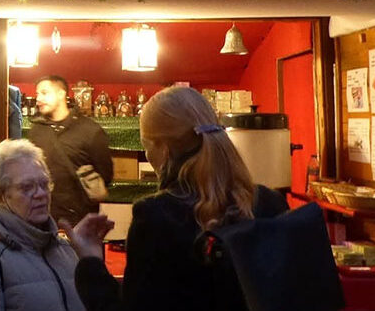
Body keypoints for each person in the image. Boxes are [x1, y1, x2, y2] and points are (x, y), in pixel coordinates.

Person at [65, 86, 288, 311]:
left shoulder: (156, 217)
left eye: (146, 146)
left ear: (163, 149)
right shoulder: (270, 202)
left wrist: (90, 262)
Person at [0, 139, 84, 311]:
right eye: (27, 187)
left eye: (44, 184)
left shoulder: (65, 250)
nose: (41, 194)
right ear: (0, 196)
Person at [25, 75, 114, 225]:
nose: (38, 99)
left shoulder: (90, 130)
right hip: (42, 217)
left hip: (80, 219)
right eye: (37, 94)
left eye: (44, 93)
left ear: (61, 94)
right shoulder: (36, 131)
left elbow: (106, 174)